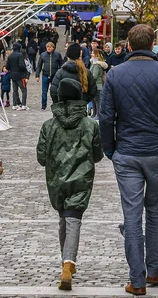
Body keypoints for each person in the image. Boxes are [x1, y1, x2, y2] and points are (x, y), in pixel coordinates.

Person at [99, 24, 158, 296]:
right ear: (152, 44)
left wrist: (110, 149)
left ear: (128, 44)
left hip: (127, 152)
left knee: (132, 215)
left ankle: (137, 281)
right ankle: (153, 271)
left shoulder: (115, 75)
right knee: (157, 210)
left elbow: (105, 117)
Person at [37, 78, 103, 291]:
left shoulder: (49, 126)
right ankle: (68, 264)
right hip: (81, 180)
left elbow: (41, 157)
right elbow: (97, 155)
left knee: (64, 219)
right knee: (73, 219)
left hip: (56, 181)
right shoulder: (90, 125)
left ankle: (66, 262)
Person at [36, 42, 64, 111]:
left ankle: (56, 104)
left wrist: (61, 74)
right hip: (45, 75)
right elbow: (39, 65)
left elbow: (61, 65)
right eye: (47, 47)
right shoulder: (43, 55)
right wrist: (37, 75)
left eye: (50, 47)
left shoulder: (57, 55)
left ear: (53, 48)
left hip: (55, 76)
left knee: (55, 91)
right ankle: (43, 106)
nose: (48, 48)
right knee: (44, 91)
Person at [5, 42, 28, 111]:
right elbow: (21, 65)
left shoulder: (10, 56)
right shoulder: (20, 55)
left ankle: (15, 105)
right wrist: (24, 70)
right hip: (20, 75)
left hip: (13, 75)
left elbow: (7, 67)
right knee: (24, 90)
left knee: (15, 90)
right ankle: (23, 105)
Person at [90, 49, 108, 119]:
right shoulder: (95, 63)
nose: (91, 54)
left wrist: (88, 77)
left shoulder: (97, 65)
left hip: (97, 85)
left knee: (97, 100)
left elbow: (94, 75)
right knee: (94, 100)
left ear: (96, 55)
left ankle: (98, 114)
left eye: (92, 53)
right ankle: (94, 114)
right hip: (95, 85)